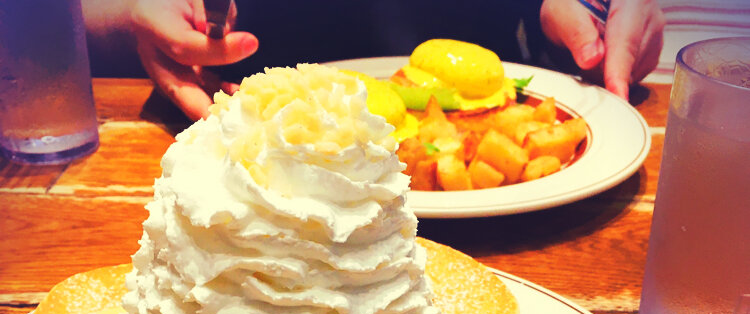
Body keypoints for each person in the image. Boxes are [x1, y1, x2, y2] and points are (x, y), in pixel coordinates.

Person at [83, 0, 665, 121]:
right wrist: (133, 15)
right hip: (241, 137)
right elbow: (75, 20)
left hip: (523, 195)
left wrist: (593, 10)